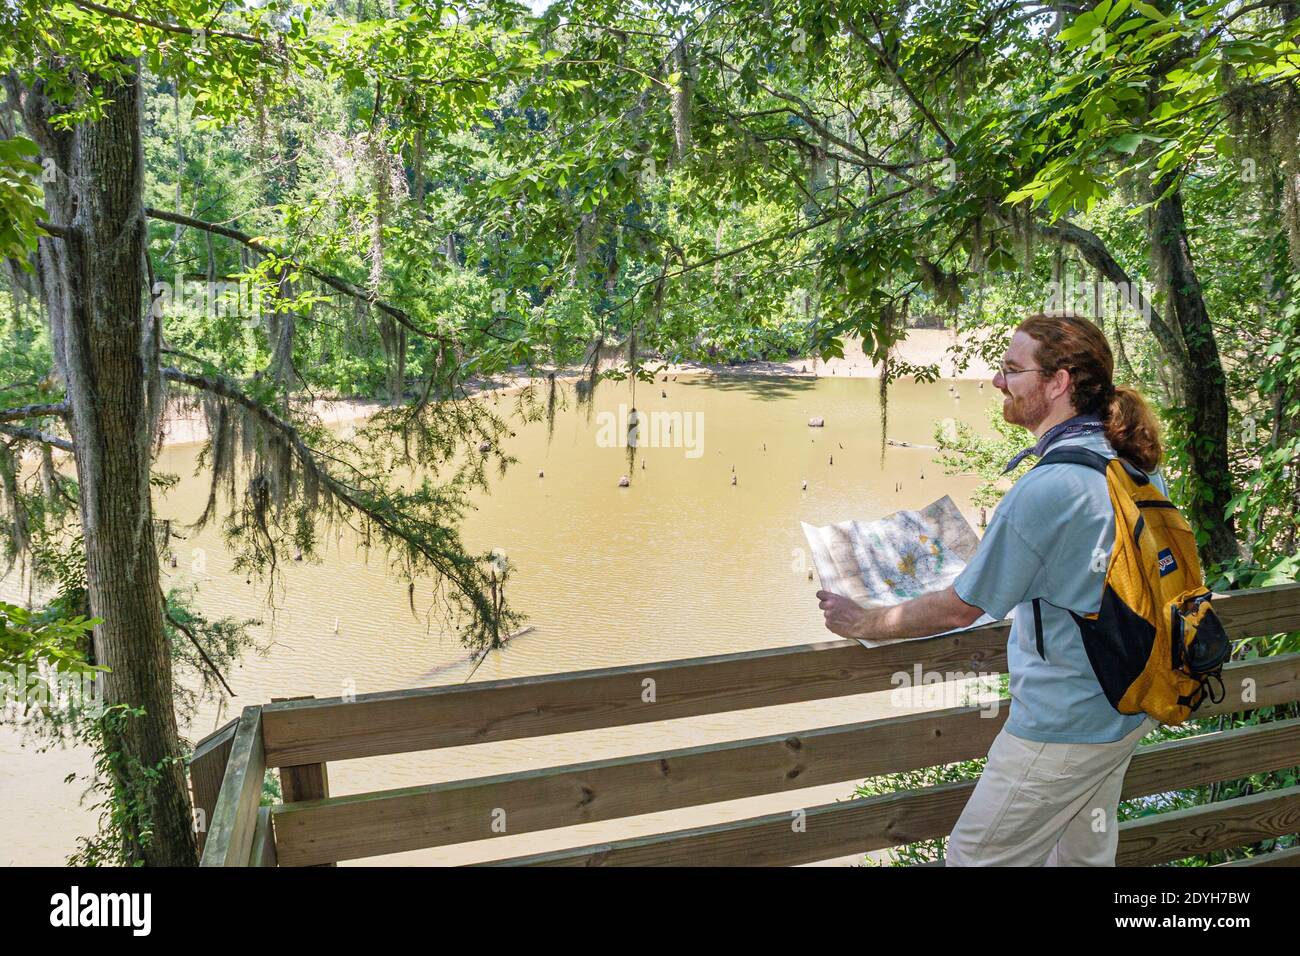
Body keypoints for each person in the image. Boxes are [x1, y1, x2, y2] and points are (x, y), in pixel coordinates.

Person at [817, 313, 1168, 866]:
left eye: (1011, 370)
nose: (998, 382)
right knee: (1080, 856)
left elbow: (961, 608)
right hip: (1123, 705)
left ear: (1058, 383)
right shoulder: (1127, 464)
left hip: (1063, 723)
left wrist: (865, 623)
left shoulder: (1049, 486)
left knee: (977, 858)